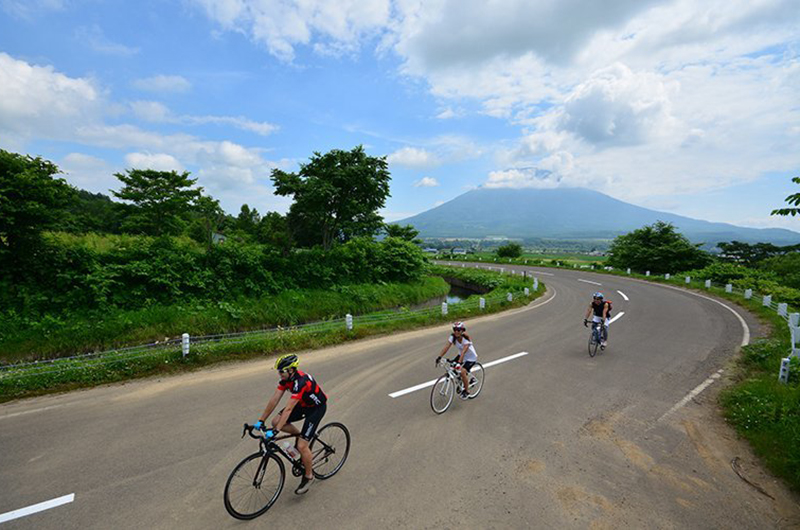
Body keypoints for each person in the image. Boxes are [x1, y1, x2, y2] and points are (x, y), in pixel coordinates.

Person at [253, 353, 327, 495]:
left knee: (301, 445)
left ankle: (309, 476)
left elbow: (288, 409)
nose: (279, 374)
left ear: (291, 370)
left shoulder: (301, 382)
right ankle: (303, 435)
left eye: (281, 371)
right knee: (275, 421)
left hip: (316, 408)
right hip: (303, 404)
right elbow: (274, 400)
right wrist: (261, 420)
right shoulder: (286, 380)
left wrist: (276, 432)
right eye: (278, 371)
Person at [436, 321, 478, 399]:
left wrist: (459, 363)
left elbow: (463, 352)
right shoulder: (453, 337)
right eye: (455, 329)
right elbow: (447, 347)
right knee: (453, 367)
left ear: (462, 331)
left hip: (470, 358)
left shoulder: (466, 339)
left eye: (458, 330)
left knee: (462, 372)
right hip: (461, 355)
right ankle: (461, 382)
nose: (456, 331)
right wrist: (439, 356)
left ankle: (467, 391)